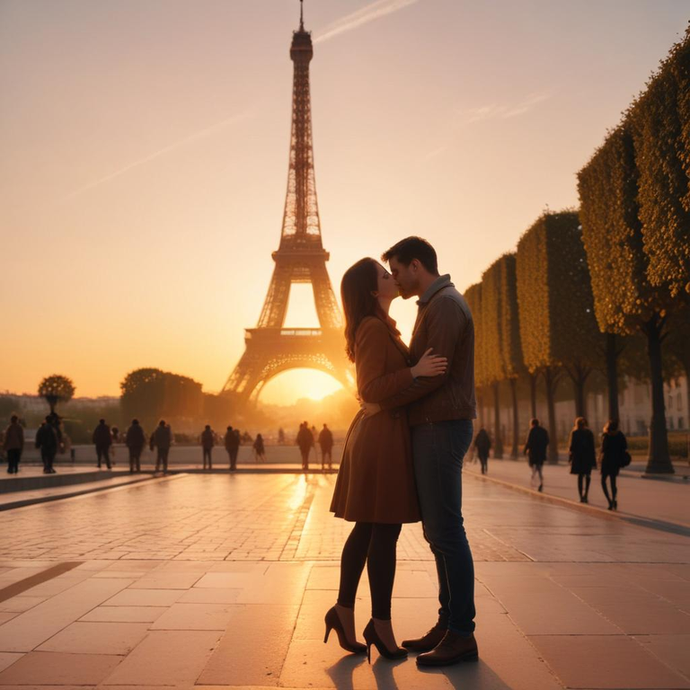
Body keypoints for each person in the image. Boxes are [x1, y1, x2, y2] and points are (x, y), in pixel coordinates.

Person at [360, 237, 478, 667]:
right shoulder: (435, 304)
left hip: (440, 426)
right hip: (434, 424)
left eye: (396, 269)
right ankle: (450, 623)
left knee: (446, 532)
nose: (393, 277)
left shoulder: (444, 306)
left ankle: (462, 632)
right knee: (439, 534)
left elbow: (435, 375)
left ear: (415, 266)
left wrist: (384, 399)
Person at [328, 256, 446, 662]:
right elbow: (371, 388)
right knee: (385, 532)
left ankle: (344, 611)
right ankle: (379, 623)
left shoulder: (378, 326)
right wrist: (416, 372)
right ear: (372, 291)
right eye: (383, 274)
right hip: (380, 439)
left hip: (380, 435)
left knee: (369, 527)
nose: (391, 277)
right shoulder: (374, 328)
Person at [600, 419, 627, 510]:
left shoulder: (606, 435)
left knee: (603, 481)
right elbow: (625, 447)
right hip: (616, 462)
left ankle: (609, 501)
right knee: (613, 482)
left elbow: (603, 449)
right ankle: (614, 499)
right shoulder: (620, 435)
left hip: (606, 461)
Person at [568, 417, 596, 503]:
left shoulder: (575, 433)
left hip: (578, 457)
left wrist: (570, 458)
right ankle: (586, 494)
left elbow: (572, 447)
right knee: (587, 475)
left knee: (580, 477)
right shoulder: (589, 433)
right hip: (587, 457)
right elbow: (592, 447)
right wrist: (593, 459)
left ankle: (581, 496)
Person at [524, 418, 549, 492]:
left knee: (533, 467)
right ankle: (540, 482)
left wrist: (525, 450)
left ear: (532, 424)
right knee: (540, 468)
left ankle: (535, 480)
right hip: (541, 452)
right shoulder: (544, 431)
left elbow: (528, 442)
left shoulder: (532, 430)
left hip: (533, 453)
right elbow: (547, 441)